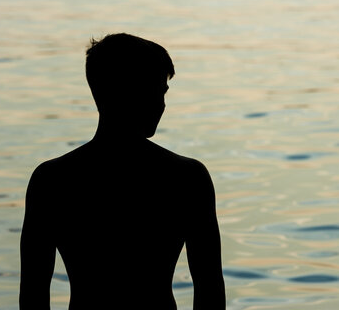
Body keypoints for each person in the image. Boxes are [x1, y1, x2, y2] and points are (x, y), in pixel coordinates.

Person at [19, 33, 225, 309]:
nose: (162, 104)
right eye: (157, 91)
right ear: (131, 91)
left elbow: (33, 295)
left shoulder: (51, 180)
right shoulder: (187, 178)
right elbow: (209, 289)